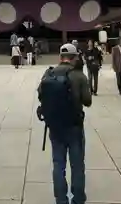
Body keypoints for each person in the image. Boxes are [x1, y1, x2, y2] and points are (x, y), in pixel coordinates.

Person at [37, 43, 92, 204]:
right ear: (74, 58)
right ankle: (78, 198)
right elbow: (87, 101)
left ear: (60, 57)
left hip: (54, 127)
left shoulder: (49, 74)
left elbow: (41, 95)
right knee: (77, 164)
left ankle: (61, 199)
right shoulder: (79, 76)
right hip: (74, 126)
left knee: (58, 164)